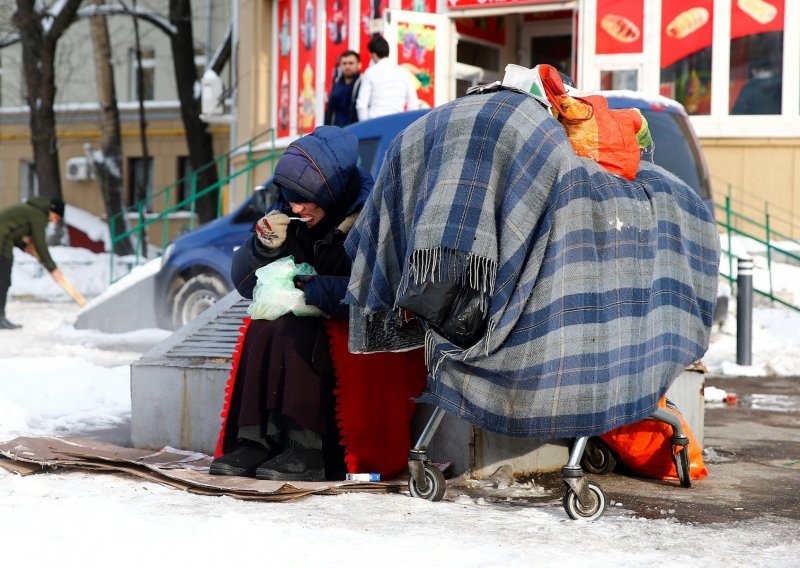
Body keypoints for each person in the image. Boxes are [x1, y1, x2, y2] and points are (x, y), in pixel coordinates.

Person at [209, 126, 374, 481]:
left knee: (296, 328)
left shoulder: (368, 215)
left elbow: (379, 287)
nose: (296, 207)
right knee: (263, 324)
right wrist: (262, 247)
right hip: (311, 311)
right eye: (290, 197)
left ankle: (306, 448)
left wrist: (315, 292)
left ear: (329, 190)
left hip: (353, 326)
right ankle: (254, 441)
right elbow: (244, 285)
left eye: (305, 199)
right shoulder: (287, 208)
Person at [0, 196, 66, 330]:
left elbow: (13, 231)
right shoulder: (38, 216)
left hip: (4, 240)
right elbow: (40, 244)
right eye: (56, 217)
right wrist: (52, 268)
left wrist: (24, 247)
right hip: (2, 244)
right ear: (52, 211)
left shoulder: (29, 210)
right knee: (3, 281)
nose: (54, 221)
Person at [355, 35, 419, 121]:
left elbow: (361, 105)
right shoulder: (403, 72)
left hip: (374, 122)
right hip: (397, 122)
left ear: (373, 54)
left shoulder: (370, 72)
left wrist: (365, 125)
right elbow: (413, 103)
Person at [324, 50, 361, 127]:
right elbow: (329, 110)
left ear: (359, 65)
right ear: (340, 66)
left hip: (354, 131)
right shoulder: (336, 82)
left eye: (351, 63)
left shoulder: (363, 82)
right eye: (344, 63)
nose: (347, 66)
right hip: (336, 132)